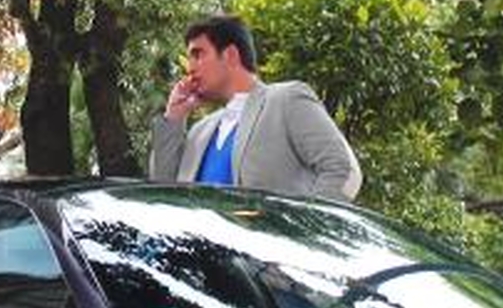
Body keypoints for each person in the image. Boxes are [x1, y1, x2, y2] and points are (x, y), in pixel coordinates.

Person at [149, 15, 361, 201]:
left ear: (230, 54)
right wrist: (174, 117)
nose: (190, 68)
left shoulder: (286, 101)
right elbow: (164, 192)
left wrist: (306, 229)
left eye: (198, 54)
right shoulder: (200, 131)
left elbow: (344, 170)